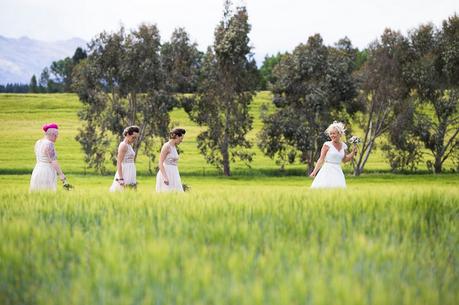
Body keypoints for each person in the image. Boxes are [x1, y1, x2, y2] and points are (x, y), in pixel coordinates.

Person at [310, 121, 357, 188]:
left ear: (339, 134)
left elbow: (344, 160)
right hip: (327, 170)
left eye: (334, 133)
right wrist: (314, 171)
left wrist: (352, 153)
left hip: (338, 171)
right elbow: (321, 159)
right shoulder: (327, 145)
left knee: (339, 189)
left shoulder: (344, 146)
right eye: (330, 134)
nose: (332, 135)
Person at [30, 123, 66, 192]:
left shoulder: (38, 142)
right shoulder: (49, 144)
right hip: (47, 171)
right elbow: (53, 161)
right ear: (52, 134)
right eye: (56, 135)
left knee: (37, 192)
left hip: (37, 170)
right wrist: (61, 174)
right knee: (47, 191)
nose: (56, 137)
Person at [109, 126, 140, 192]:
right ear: (128, 134)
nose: (134, 139)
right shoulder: (123, 145)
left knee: (131, 191)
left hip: (131, 170)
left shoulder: (129, 145)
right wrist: (121, 178)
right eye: (133, 137)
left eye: (136, 138)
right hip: (125, 171)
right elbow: (119, 162)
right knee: (123, 190)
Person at [156, 128, 186, 192]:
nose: (181, 141)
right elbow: (160, 162)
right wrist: (165, 177)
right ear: (177, 136)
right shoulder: (167, 146)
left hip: (174, 173)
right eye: (181, 139)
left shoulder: (174, 147)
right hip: (167, 173)